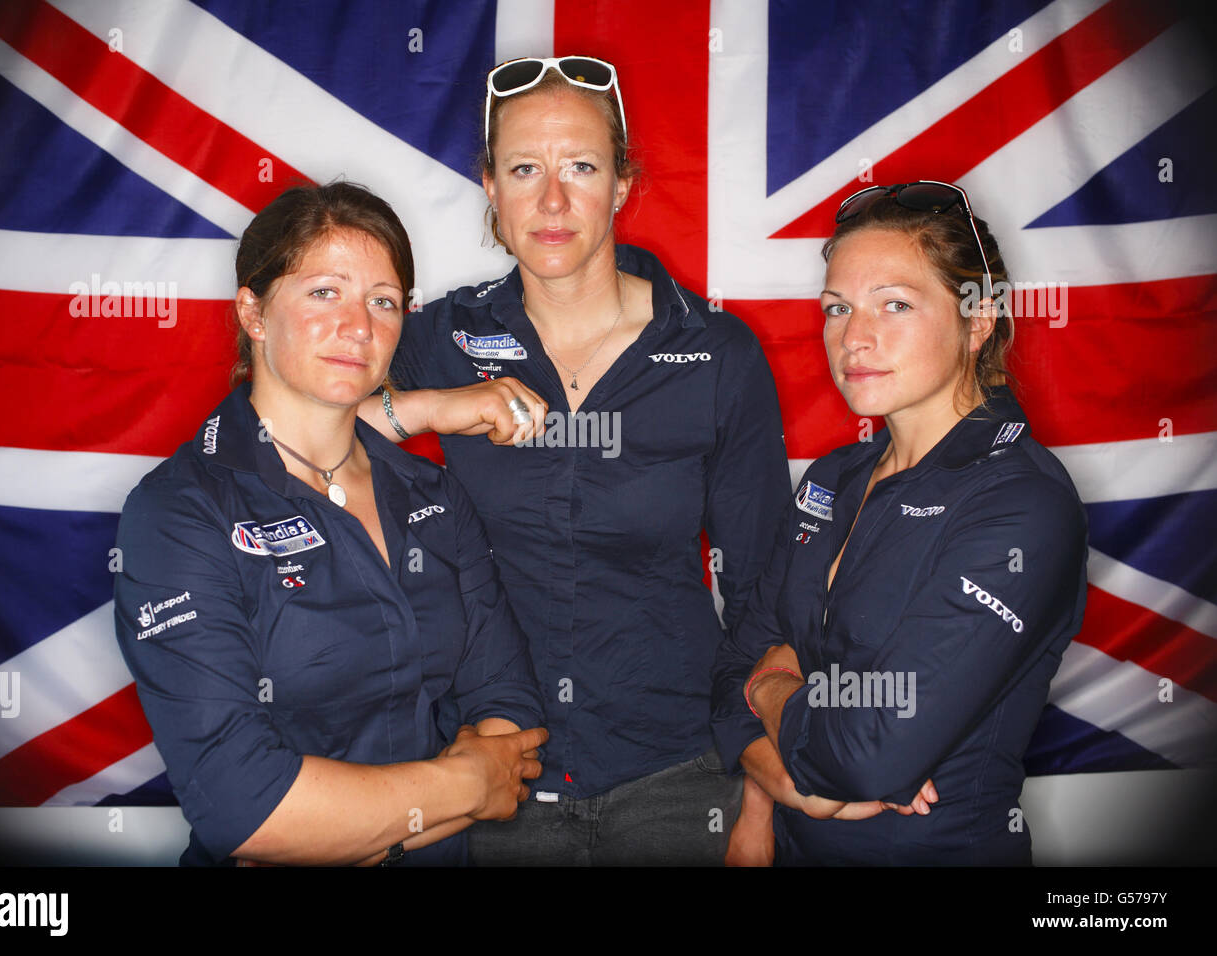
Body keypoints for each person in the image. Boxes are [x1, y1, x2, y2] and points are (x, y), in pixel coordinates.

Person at [361, 57, 789, 864]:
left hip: (677, 777)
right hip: (494, 777)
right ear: (489, 184)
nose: (551, 200)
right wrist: (430, 407)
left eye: (581, 167)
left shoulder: (716, 353)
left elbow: (768, 591)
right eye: (525, 169)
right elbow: (289, 434)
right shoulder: (439, 339)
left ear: (622, 184)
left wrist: (759, 803)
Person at [112, 182, 548, 867]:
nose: (359, 325)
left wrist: (349, 832)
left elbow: (509, 711)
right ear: (252, 311)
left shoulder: (431, 493)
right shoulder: (179, 512)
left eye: (383, 300)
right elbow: (243, 807)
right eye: (324, 292)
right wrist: (465, 784)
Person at [712, 181, 1089, 865]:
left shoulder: (1025, 503)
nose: (854, 337)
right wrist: (784, 790)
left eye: (895, 304)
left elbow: (870, 755)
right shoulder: (832, 477)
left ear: (978, 321)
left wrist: (773, 685)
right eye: (837, 308)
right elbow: (729, 670)